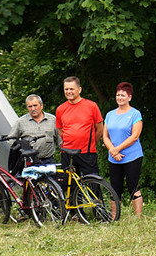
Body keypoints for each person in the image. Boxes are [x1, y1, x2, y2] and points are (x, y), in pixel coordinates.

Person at [102, 82, 144, 217]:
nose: (120, 98)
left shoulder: (135, 114)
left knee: (133, 186)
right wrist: (113, 151)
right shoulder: (110, 115)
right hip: (114, 158)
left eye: (123, 95)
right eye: (118, 95)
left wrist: (117, 149)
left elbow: (135, 136)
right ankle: (114, 216)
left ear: (129, 97)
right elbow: (105, 136)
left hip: (132, 156)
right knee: (115, 187)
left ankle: (138, 217)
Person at [55, 76, 104, 176]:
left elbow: (99, 129)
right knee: (70, 186)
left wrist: (91, 144)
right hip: (67, 153)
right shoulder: (60, 109)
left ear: (79, 90)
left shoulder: (91, 106)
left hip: (87, 152)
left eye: (72, 89)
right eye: (66, 89)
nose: (69, 92)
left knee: (92, 185)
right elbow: (60, 130)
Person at [8, 94, 60, 174]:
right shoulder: (21, 122)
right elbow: (11, 139)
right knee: (31, 186)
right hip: (30, 162)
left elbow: (60, 140)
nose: (33, 109)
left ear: (41, 106)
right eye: (30, 106)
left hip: (48, 161)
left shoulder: (53, 120)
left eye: (35, 105)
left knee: (51, 185)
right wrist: (20, 150)